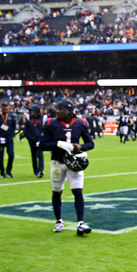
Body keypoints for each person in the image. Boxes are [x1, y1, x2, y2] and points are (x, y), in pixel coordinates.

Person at [39, 101, 94, 235]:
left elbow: (90, 143)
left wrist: (80, 147)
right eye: (57, 109)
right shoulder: (51, 123)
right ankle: (59, 221)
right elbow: (42, 145)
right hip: (57, 162)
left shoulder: (80, 122)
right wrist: (57, 144)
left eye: (61, 109)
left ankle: (80, 223)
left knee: (78, 191)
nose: (57, 111)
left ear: (69, 111)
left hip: (74, 162)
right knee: (57, 192)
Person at [0, 102, 17, 178]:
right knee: (1, 156)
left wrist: (12, 135)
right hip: (0, 139)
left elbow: (14, 126)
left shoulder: (11, 116)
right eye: (4, 109)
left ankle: (9, 171)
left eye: (7, 109)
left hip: (9, 138)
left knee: (11, 154)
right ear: (1, 108)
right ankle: (2, 172)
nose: (6, 110)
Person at [19, 105, 45, 178]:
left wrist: (41, 138)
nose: (31, 112)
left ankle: (41, 170)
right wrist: (29, 137)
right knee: (33, 155)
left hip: (39, 139)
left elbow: (44, 129)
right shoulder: (28, 118)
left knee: (40, 155)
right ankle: (35, 171)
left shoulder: (42, 118)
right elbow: (26, 129)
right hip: (31, 139)